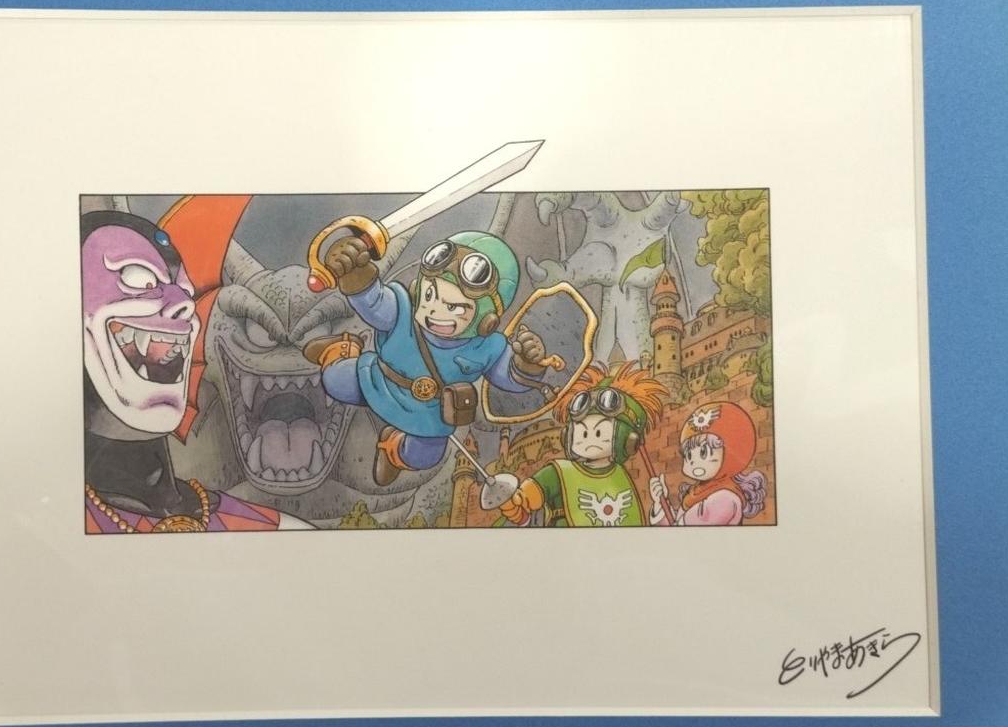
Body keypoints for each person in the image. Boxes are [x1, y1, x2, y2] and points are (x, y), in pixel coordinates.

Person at [81, 208, 289, 532]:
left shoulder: (271, 527)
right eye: (137, 277)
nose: (184, 304)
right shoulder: (55, 523)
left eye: (187, 291)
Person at [303, 231, 550, 485]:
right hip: (379, 382)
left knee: (425, 456)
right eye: (430, 295)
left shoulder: (487, 348)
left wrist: (527, 363)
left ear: (486, 320)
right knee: (334, 381)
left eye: (453, 307)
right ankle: (340, 349)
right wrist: (356, 274)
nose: (434, 311)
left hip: (428, 414)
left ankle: (392, 450)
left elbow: (510, 377)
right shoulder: (402, 311)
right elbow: (376, 304)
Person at [498, 362, 668, 526]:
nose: (589, 437)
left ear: (626, 440)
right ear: (568, 435)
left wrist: (657, 507)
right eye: (583, 432)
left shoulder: (621, 476)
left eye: (599, 432)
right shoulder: (558, 472)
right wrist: (516, 505)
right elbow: (525, 501)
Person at [648, 401, 767, 525]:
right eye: (689, 455)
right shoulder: (693, 494)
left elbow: (682, 531)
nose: (693, 461)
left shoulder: (725, 498)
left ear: (729, 454)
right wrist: (660, 503)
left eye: (703, 452)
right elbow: (673, 528)